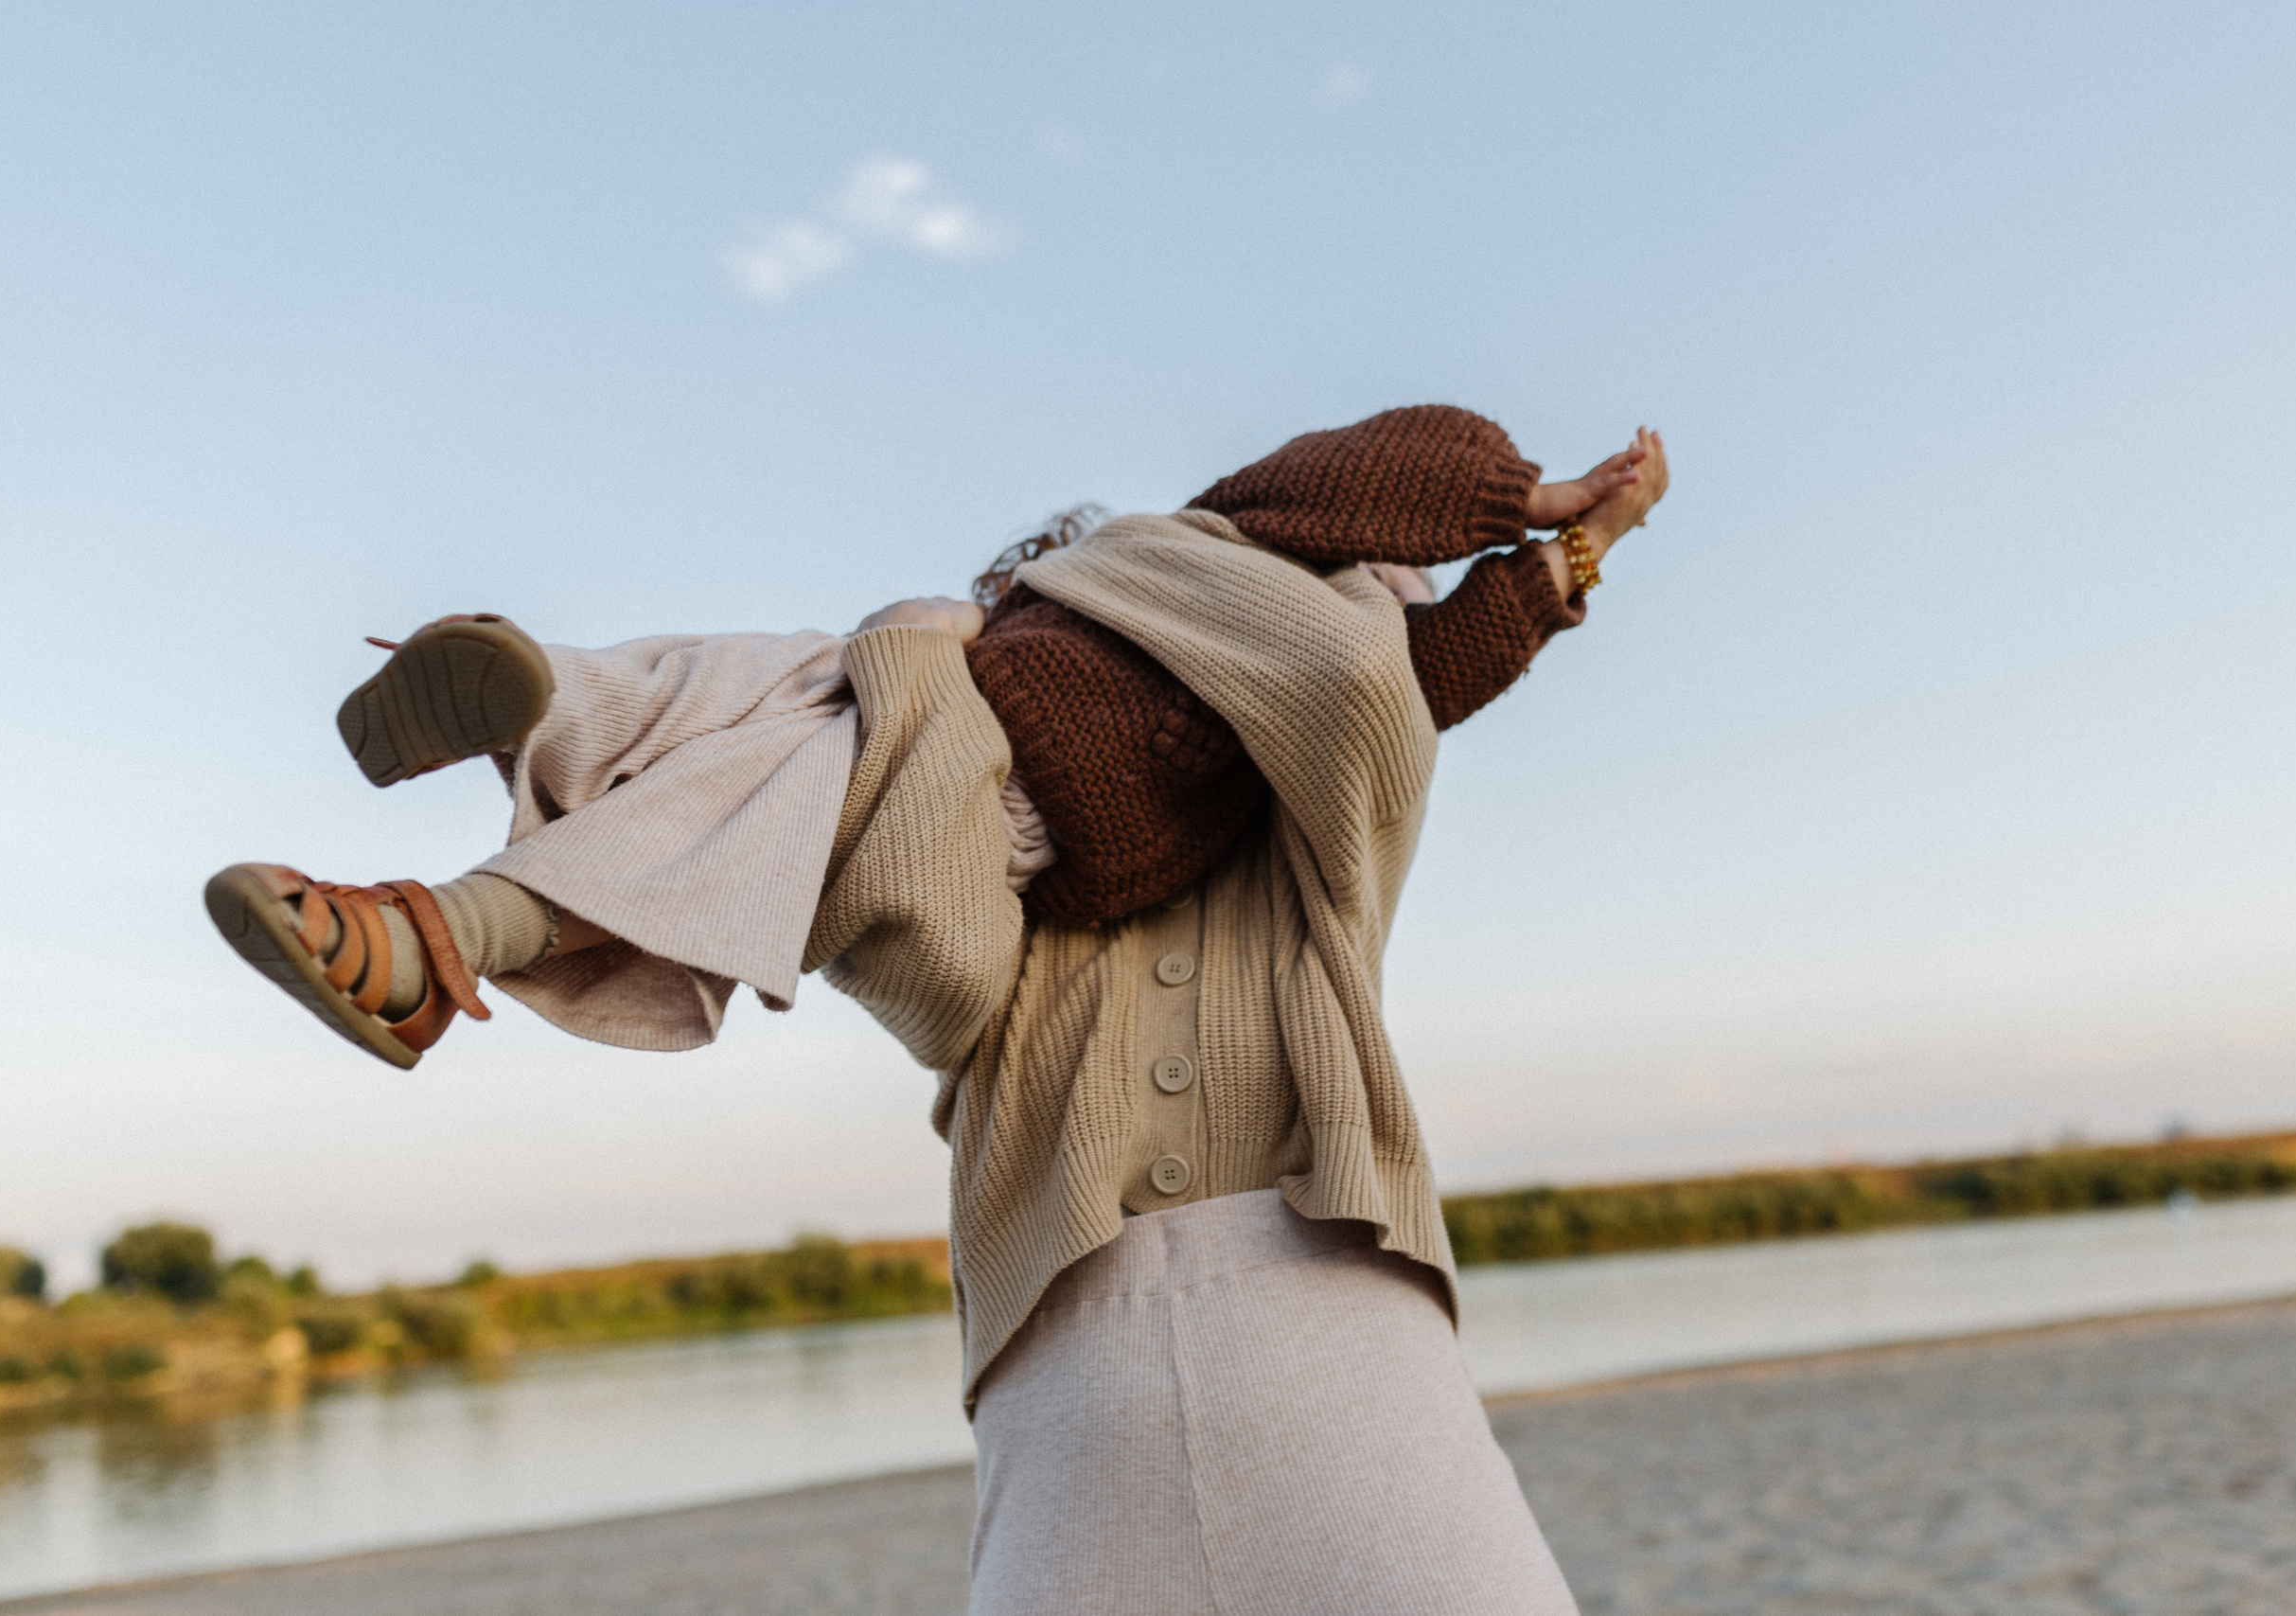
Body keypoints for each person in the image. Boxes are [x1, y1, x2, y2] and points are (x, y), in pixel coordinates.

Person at [210, 404, 1668, 1613]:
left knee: (823, 691)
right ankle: (538, 760)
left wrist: (1558, 535)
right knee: (818, 707)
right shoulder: (936, 824)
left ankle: (546, 777)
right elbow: (930, 952)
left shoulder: (1338, 803)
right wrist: (925, 660)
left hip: (1340, 1357)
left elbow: (1350, 650)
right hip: (1064, 1400)